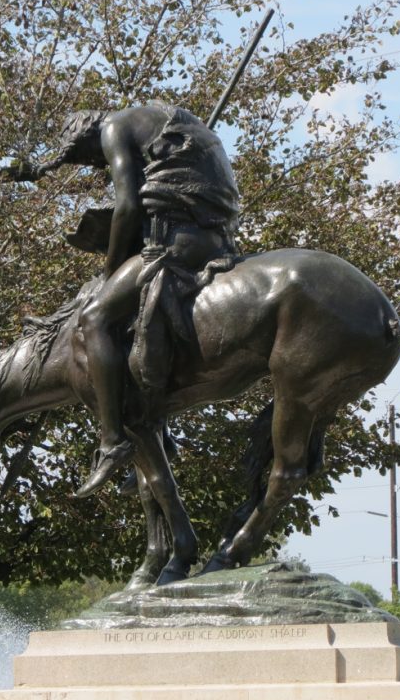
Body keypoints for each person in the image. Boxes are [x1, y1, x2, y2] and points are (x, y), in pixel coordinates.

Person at [14, 103, 240, 497]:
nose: (99, 163)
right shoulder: (165, 117)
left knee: (96, 317)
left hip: (176, 240)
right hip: (216, 238)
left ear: (86, 141)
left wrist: (110, 271)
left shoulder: (114, 127)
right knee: (139, 325)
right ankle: (159, 428)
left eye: (93, 160)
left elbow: (128, 206)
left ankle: (112, 440)